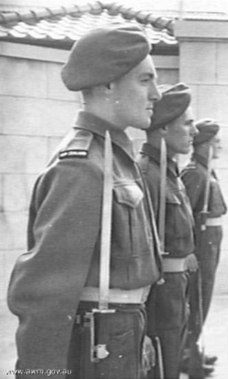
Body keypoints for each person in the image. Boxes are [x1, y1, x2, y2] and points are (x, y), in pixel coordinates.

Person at [7, 24, 162, 379]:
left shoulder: (115, 156)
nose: (156, 94)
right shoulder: (81, 166)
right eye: (144, 81)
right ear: (108, 85)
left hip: (122, 344)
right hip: (97, 353)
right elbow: (45, 295)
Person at [137, 83, 200, 379]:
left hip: (175, 292)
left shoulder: (169, 174)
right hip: (159, 300)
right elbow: (140, 252)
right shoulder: (147, 175)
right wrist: (144, 329)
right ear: (162, 129)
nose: (194, 131)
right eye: (187, 123)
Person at [181, 119, 228, 373]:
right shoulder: (194, 173)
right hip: (202, 244)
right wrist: (191, 251)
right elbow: (185, 217)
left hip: (211, 241)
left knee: (204, 298)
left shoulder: (206, 169)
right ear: (202, 145)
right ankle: (186, 353)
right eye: (215, 142)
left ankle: (193, 347)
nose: (219, 146)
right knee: (197, 297)